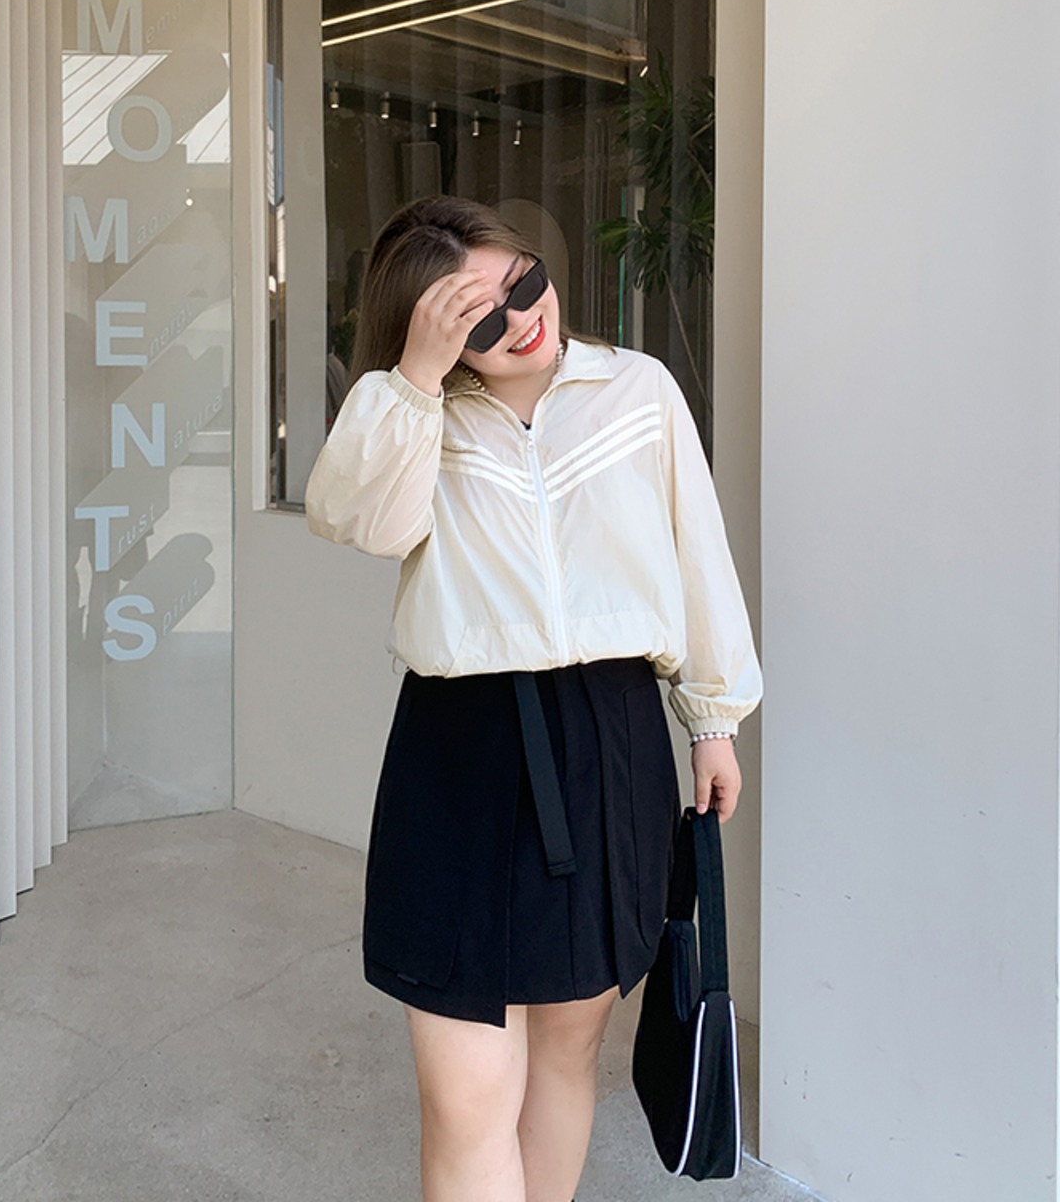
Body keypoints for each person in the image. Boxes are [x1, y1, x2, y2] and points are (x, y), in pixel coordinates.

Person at [304, 196, 762, 1202]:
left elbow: (697, 556)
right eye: (475, 317)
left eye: (522, 283)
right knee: (464, 1094)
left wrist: (712, 720)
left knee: (565, 1052)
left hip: (609, 743)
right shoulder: (418, 416)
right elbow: (355, 520)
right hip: (460, 752)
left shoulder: (635, 389)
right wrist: (415, 377)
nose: (519, 319)